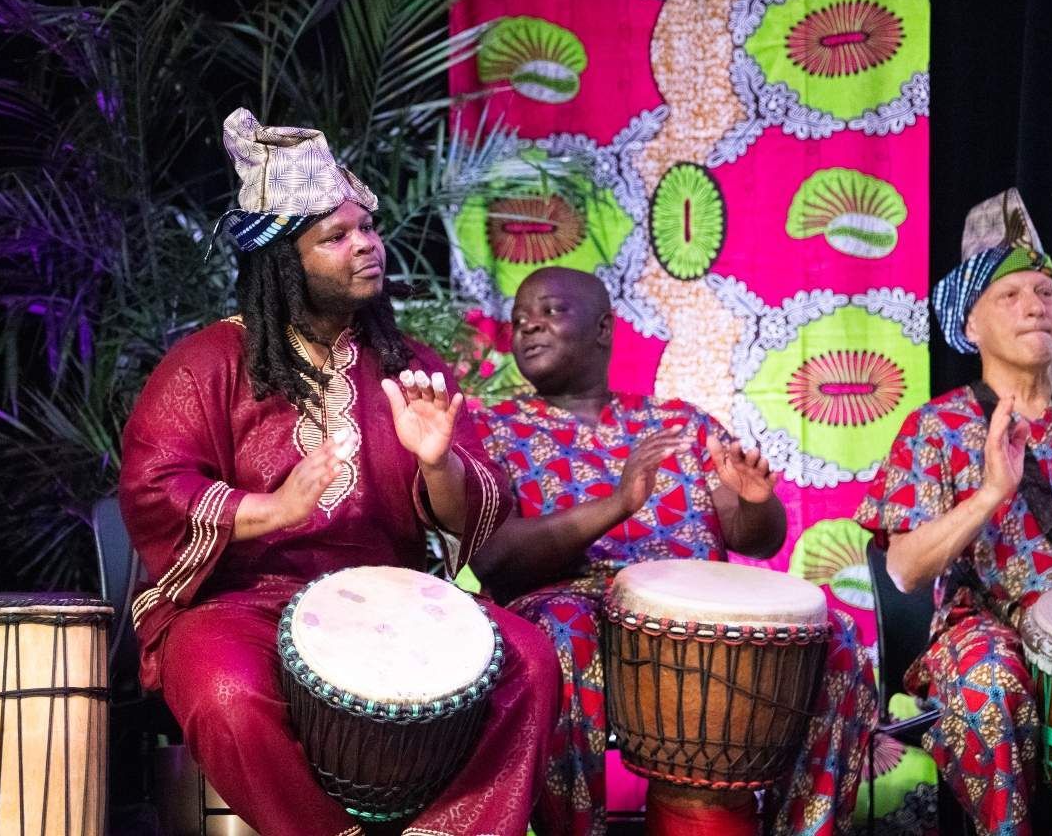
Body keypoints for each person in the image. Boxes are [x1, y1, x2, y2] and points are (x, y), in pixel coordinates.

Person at [119, 108, 560, 836]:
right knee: (223, 690)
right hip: (244, 603)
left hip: (395, 594)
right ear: (284, 260)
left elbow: (477, 506)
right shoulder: (209, 363)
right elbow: (153, 484)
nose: (366, 246)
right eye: (337, 236)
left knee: (530, 661)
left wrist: (437, 460)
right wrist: (268, 510)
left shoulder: (409, 364)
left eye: (367, 227)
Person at [473, 266, 874, 836]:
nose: (529, 326)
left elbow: (755, 536)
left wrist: (757, 502)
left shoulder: (681, 422)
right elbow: (494, 560)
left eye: (551, 311)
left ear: (604, 328)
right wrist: (619, 503)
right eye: (519, 320)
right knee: (561, 635)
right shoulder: (495, 427)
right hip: (577, 604)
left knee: (839, 639)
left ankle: (802, 829)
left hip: (703, 617)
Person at [856, 189, 1052, 836]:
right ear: (971, 325)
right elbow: (902, 569)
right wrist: (990, 493)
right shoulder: (936, 428)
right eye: (1009, 296)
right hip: (985, 633)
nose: (1034, 305)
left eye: (1046, 293)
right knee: (991, 680)